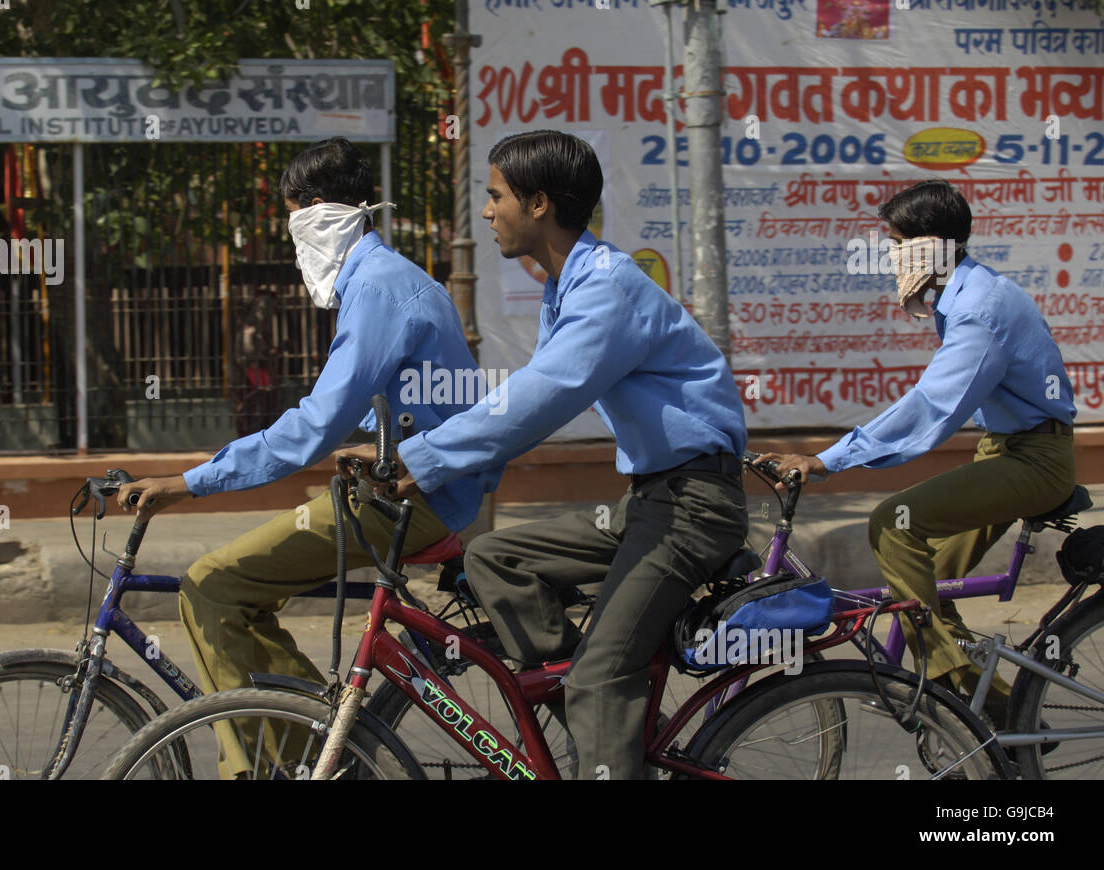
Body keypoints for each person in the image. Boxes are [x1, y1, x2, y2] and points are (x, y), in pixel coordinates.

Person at [338, 130, 749, 779]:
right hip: (649, 500)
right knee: (494, 560)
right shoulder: (570, 287)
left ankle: (599, 700)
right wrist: (413, 450)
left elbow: (539, 397)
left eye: (495, 195)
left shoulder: (607, 289)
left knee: (600, 675)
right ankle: (595, 719)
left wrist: (427, 459)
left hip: (692, 507)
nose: (485, 210)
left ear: (538, 203)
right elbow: (521, 404)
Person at [117, 137, 495, 777]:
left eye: (295, 218)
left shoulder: (376, 288)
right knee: (242, 596)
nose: (295, 240)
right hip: (413, 489)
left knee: (210, 586)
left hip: (408, 501)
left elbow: (311, 429)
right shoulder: (391, 277)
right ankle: (318, 740)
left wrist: (185, 484)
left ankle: (281, 763)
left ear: (319, 212)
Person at [761, 179, 1076, 725]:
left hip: (1033, 461)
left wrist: (828, 458)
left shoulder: (978, 310)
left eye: (898, 242)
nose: (890, 254)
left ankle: (955, 687)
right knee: (922, 579)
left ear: (930, 247)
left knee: (893, 524)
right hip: (1005, 451)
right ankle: (996, 705)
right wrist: (925, 297)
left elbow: (932, 407)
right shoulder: (965, 294)